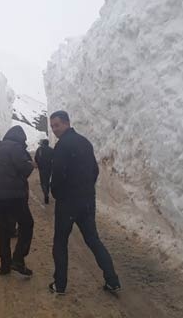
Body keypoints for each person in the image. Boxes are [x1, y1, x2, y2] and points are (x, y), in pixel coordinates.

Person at [47, 110, 121, 295]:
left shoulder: (62, 146)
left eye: (57, 125)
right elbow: (94, 170)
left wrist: (56, 192)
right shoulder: (85, 142)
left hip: (67, 203)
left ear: (66, 123)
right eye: (52, 126)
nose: (54, 129)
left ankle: (60, 284)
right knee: (93, 240)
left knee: (60, 242)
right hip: (87, 201)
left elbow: (56, 175)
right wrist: (86, 188)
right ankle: (112, 280)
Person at [0, 126, 35, 276]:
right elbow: (24, 169)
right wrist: (30, 165)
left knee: (3, 229)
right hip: (15, 195)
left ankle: (5, 265)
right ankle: (18, 259)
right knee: (26, 224)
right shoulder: (16, 148)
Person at [35, 139, 54, 204]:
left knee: (43, 182)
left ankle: (46, 193)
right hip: (49, 168)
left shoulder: (39, 149)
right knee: (47, 180)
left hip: (42, 168)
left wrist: (38, 164)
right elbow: (54, 158)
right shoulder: (51, 149)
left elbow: (36, 158)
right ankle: (47, 191)